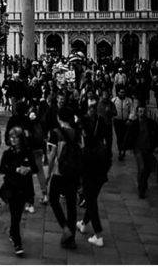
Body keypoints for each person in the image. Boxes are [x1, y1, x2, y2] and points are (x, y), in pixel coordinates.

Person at [46, 108, 82, 249]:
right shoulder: (77, 133)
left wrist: (48, 173)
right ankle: (71, 239)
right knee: (71, 204)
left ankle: (65, 227)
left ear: (59, 117)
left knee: (53, 199)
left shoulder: (56, 133)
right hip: (73, 173)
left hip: (59, 172)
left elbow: (52, 155)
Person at [78, 105, 113, 247]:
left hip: (90, 179)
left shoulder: (87, 149)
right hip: (100, 178)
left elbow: (83, 166)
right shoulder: (100, 145)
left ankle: (98, 234)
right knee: (91, 200)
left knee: (91, 204)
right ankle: (84, 223)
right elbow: (108, 161)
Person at [0, 127, 37, 256]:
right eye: (11, 137)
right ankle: (17, 242)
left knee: (17, 215)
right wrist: (15, 169)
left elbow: (35, 168)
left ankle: (12, 233)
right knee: (15, 215)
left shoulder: (27, 152)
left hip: (23, 188)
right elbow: (2, 169)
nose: (13, 140)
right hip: (11, 187)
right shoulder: (8, 154)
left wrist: (28, 169)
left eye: (16, 137)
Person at [125, 105, 158, 199]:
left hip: (149, 149)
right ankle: (141, 189)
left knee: (148, 168)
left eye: (143, 111)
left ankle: (143, 182)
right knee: (141, 168)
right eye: (140, 111)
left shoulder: (151, 123)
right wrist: (127, 147)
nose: (142, 113)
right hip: (138, 149)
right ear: (137, 113)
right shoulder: (134, 124)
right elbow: (129, 135)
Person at [112, 88, 134, 161]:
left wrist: (129, 119)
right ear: (118, 93)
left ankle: (123, 150)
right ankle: (120, 151)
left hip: (125, 121)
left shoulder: (129, 100)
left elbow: (132, 110)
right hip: (117, 121)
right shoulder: (114, 100)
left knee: (125, 137)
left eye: (123, 92)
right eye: (121, 92)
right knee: (119, 136)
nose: (122, 93)